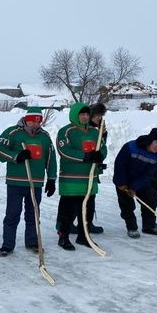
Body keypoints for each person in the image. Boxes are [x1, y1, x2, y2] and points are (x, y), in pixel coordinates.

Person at [0, 107, 57, 257]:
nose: (35, 124)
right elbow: (0, 150)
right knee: (12, 214)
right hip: (16, 182)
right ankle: (7, 244)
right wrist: (16, 156)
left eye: (38, 121)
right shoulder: (12, 133)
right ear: (26, 119)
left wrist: (51, 179)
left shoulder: (45, 137)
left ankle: (33, 241)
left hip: (35, 183)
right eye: (32, 121)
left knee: (33, 214)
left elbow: (51, 158)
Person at [55, 103, 107, 250]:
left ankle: (84, 236)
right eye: (82, 114)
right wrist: (86, 156)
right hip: (71, 179)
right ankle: (63, 237)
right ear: (75, 115)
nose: (85, 117)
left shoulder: (94, 132)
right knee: (68, 210)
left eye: (86, 114)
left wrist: (99, 156)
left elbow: (102, 147)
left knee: (88, 209)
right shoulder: (66, 132)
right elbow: (64, 151)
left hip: (89, 178)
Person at [113, 128, 157, 237]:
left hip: (140, 181)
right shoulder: (131, 146)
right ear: (150, 140)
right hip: (123, 180)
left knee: (150, 202)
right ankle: (132, 228)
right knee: (127, 205)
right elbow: (120, 165)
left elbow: (148, 174)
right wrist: (121, 183)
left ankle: (149, 226)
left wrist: (134, 187)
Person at [71, 102, 107, 234]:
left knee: (90, 198)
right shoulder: (85, 130)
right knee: (76, 200)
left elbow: (101, 147)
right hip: (80, 171)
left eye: (100, 115)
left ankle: (88, 223)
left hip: (92, 170)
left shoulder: (98, 129)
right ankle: (68, 224)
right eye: (96, 115)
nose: (99, 118)